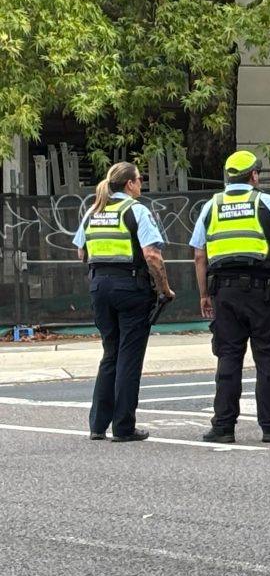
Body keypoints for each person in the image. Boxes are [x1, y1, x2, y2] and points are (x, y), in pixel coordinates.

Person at [190, 151, 270, 443]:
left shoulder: (210, 207)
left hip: (224, 292)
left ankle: (223, 427)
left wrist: (204, 294)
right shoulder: (267, 203)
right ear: (253, 176)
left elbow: (199, 256)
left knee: (228, 357)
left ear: (229, 177)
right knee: (266, 358)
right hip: (263, 291)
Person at [73, 161, 175, 442]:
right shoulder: (136, 211)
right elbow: (152, 255)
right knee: (129, 355)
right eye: (139, 179)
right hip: (130, 286)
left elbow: (81, 253)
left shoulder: (93, 212)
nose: (141, 184)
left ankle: (97, 425)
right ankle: (123, 426)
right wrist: (165, 289)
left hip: (99, 286)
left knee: (110, 353)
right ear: (129, 183)